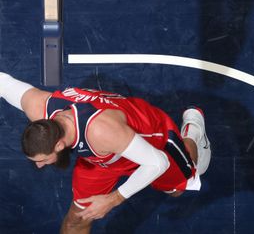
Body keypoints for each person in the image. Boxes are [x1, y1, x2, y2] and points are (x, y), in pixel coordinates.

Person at [0, 74, 211, 233]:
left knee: (177, 189)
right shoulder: (39, 107)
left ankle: (192, 131)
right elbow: (4, 82)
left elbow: (159, 163)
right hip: (102, 159)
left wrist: (113, 199)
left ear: (58, 145)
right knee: (78, 218)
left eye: (42, 160)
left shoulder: (101, 131)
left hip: (151, 138)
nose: (39, 166)